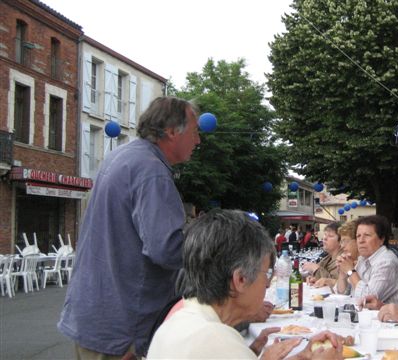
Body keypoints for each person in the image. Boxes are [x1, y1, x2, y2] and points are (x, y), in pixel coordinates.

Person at [58, 97, 201, 358]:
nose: (198, 141)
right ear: (171, 132)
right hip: (122, 325)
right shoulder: (151, 170)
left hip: (93, 316)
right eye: (195, 132)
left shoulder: (121, 156)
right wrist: (208, 242)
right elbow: (166, 249)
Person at [147, 210, 342, 359]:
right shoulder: (216, 341)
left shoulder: (185, 319)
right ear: (240, 280)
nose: (267, 284)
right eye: (266, 274)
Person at [335, 215, 398, 307]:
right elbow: (343, 294)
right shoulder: (363, 259)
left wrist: (350, 271)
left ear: (381, 239)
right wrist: (343, 273)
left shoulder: (386, 262)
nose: (361, 240)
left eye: (367, 235)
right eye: (358, 236)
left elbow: (366, 299)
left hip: (394, 320)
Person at [315, 221, 358, 288]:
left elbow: (360, 291)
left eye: (330, 236)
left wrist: (350, 271)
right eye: (325, 235)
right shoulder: (327, 259)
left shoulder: (349, 260)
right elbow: (343, 291)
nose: (325, 238)